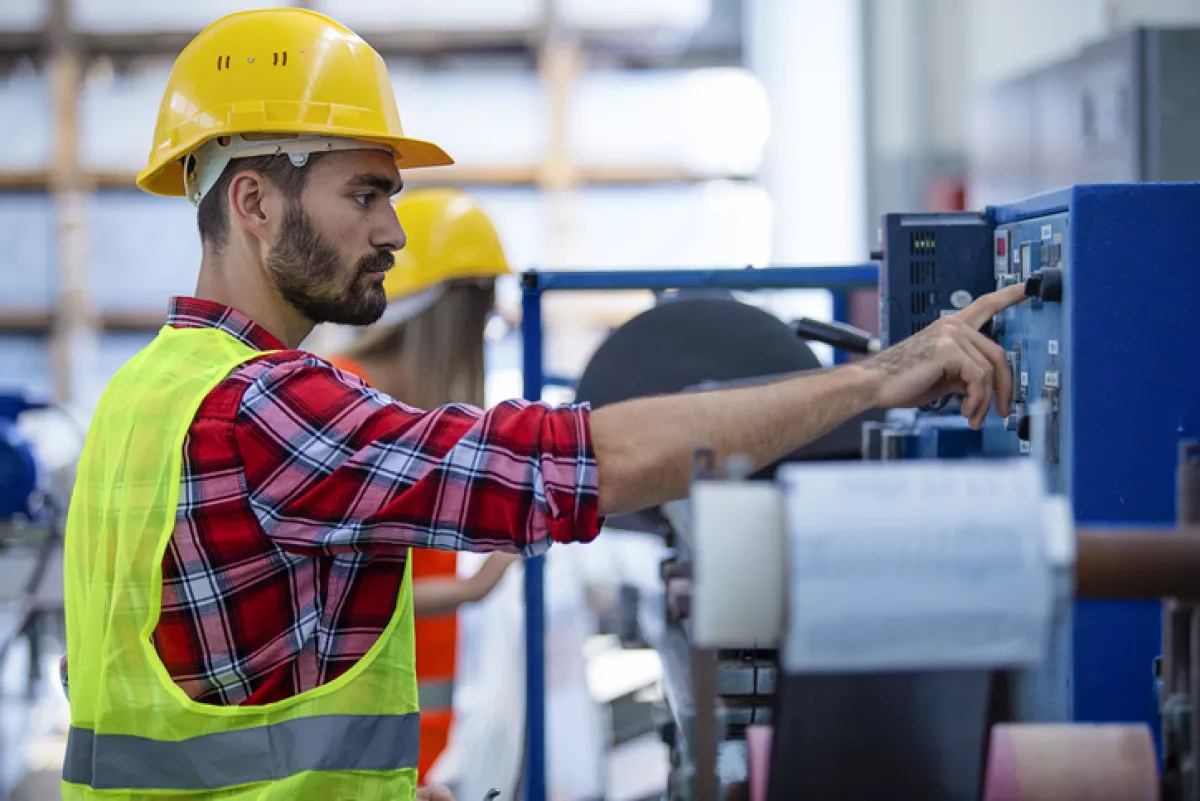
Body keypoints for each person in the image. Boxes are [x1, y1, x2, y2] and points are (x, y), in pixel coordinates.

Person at [60, 8, 1028, 801]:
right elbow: (560, 467)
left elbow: (211, 689)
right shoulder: (267, 409)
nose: (394, 230)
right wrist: (874, 379)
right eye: (365, 193)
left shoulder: (143, 393)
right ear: (255, 202)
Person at [327, 186, 520, 785]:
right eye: (479, 320)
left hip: (400, 761)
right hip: (354, 757)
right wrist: (475, 588)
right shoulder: (345, 413)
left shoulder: (405, 420)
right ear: (444, 321)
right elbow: (318, 599)